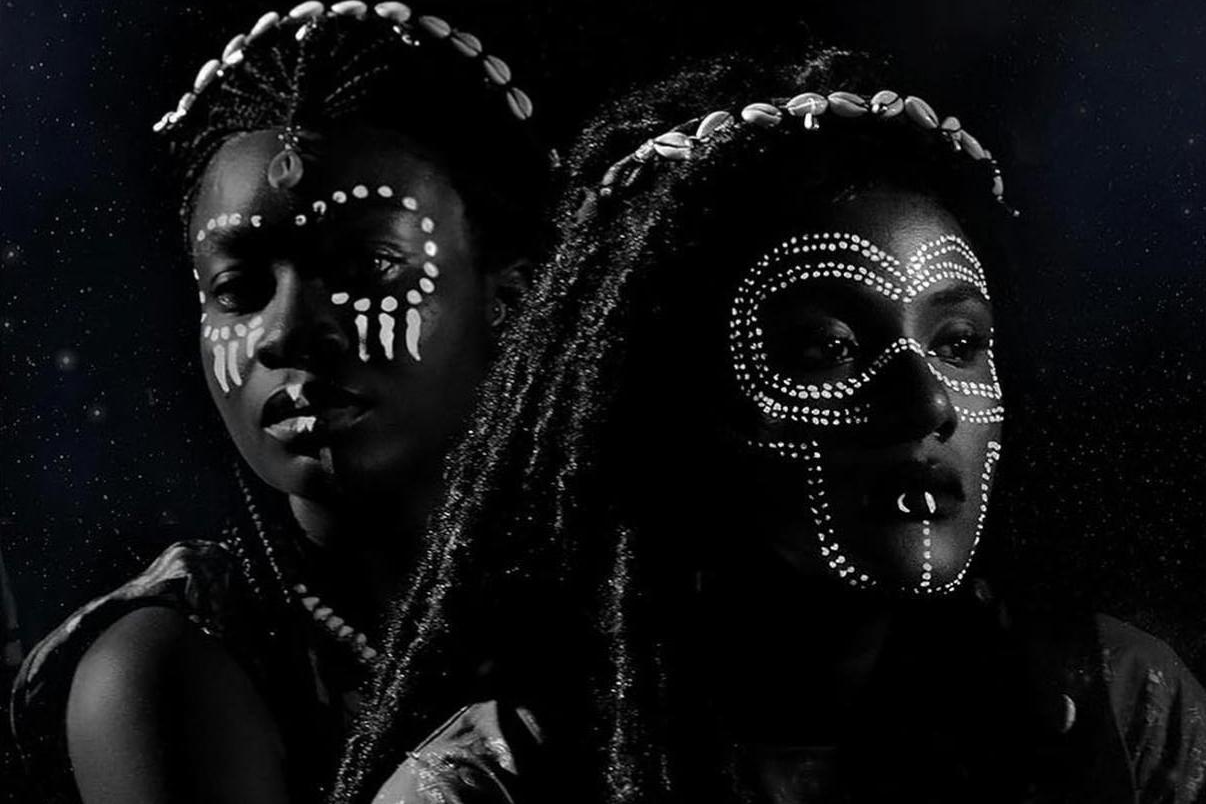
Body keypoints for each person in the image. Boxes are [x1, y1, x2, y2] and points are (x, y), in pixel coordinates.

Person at [331, 51, 1206, 804]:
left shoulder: (1118, 711)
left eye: (960, 343)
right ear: (674, 402)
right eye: (827, 348)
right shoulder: (496, 781)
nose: (930, 404)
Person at [10, 0, 551, 804]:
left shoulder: (628, 595)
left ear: (508, 298)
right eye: (238, 288)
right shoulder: (166, 667)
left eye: (366, 269)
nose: (287, 332)